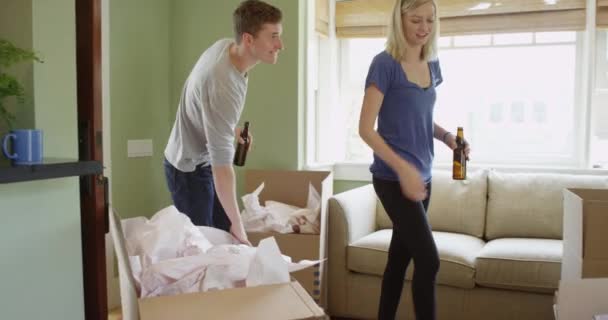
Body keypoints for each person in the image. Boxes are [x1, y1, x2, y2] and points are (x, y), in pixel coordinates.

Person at [358, 0, 470, 319]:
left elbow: (421, 118)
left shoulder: (432, 64)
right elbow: (366, 129)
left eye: (430, 21)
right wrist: (402, 169)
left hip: (422, 178)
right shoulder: (384, 64)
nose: (423, 28)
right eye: (416, 20)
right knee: (429, 260)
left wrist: (449, 138)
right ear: (400, 20)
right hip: (393, 180)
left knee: (399, 259)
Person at [163, 0, 283, 245]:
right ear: (248, 39)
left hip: (201, 161)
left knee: (224, 242)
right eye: (273, 37)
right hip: (188, 170)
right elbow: (222, 169)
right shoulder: (223, 85)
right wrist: (240, 226)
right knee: (203, 250)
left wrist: (229, 132)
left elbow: (202, 104)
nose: (280, 44)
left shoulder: (225, 48)